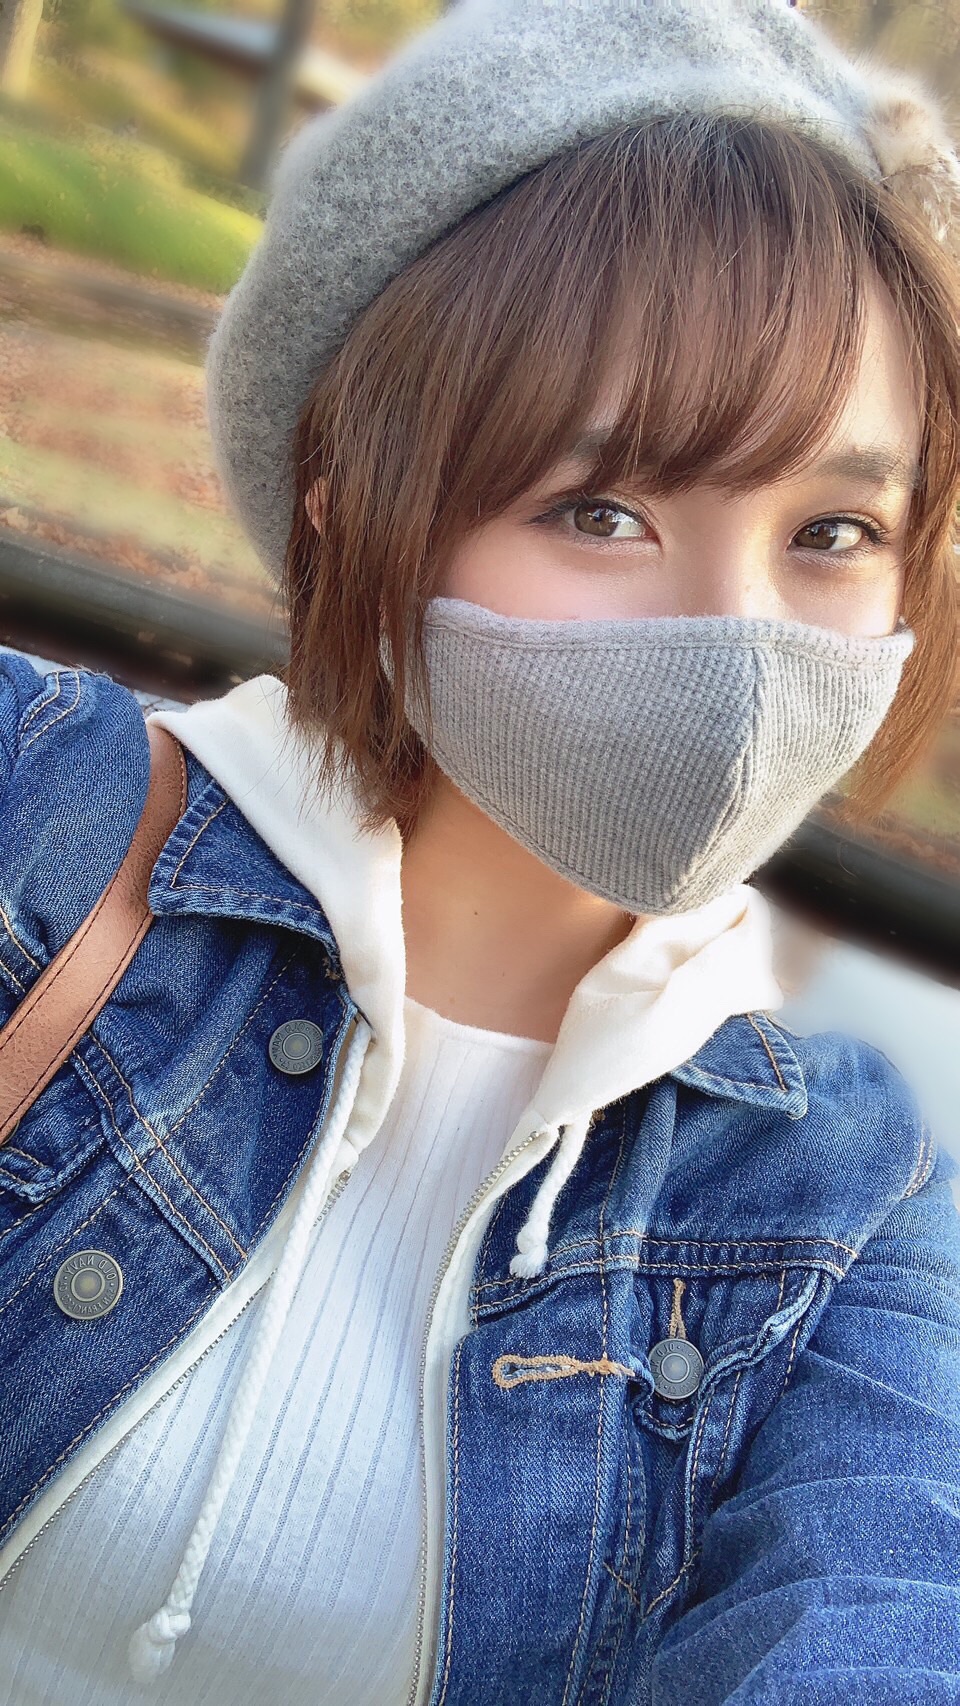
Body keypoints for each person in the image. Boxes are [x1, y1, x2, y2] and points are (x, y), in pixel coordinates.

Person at [1, 0, 959, 1700]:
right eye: (602, 509)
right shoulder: (40, 813)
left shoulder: (847, 1197)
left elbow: (881, 1600)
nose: (733, 639)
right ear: (349, 490)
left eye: (833, 529)